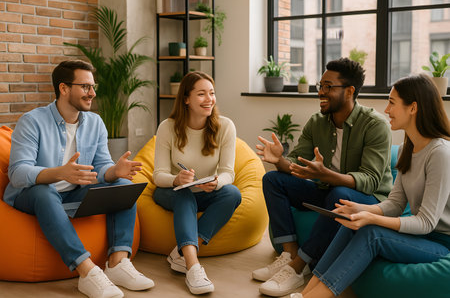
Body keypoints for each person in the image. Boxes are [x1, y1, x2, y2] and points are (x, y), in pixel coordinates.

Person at [290, 73, 450, 298]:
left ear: (413, 108)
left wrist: (372, 218)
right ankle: (306, 293)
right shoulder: (407, 150)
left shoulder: (440, 153)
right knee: (351, 223)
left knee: (372, 232)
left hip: (442, 243)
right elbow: (394, 204)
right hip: (420, 238)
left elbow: (425, 222)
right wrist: (359, 210)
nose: (386, 110)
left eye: (392, 103)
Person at [4, 60, 154, 298]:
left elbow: (102, 165)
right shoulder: (32, 121)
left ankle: (117, 263)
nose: (92, 93)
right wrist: (58, 173)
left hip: (75, 191)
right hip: (33, 194)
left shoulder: (95, 122)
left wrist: (114, 171)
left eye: (93, 87)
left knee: (123, 186)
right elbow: (18, 173)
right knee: (45, 191)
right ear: (64, 89)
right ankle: (87, 272)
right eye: (85, 87)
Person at [253, 58, 393, 297]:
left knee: (339, 195)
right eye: (321, 85)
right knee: (273, 180)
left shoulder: (374, 125)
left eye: (329, 86)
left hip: (369, 201)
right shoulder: (317, 122)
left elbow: (370, 181)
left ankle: (300, 268)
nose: (321, 91)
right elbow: (296, 166)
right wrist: (280, 160)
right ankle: (288, 255)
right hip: (328, 190)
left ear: (350, 91)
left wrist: (327, 174)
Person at [152, 71, 242, 295]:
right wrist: (176, 179)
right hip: (173, 192)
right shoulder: (167, 127)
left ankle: (181, 254)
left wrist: (216, 182)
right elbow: (158, 175)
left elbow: (228, 173)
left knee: (232, 193)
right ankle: (193, 267)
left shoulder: (225, 126)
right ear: (186, 99)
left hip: (205, 192)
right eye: (201, 94)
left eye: (211, 93)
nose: (209, 99)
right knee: (184, 194)